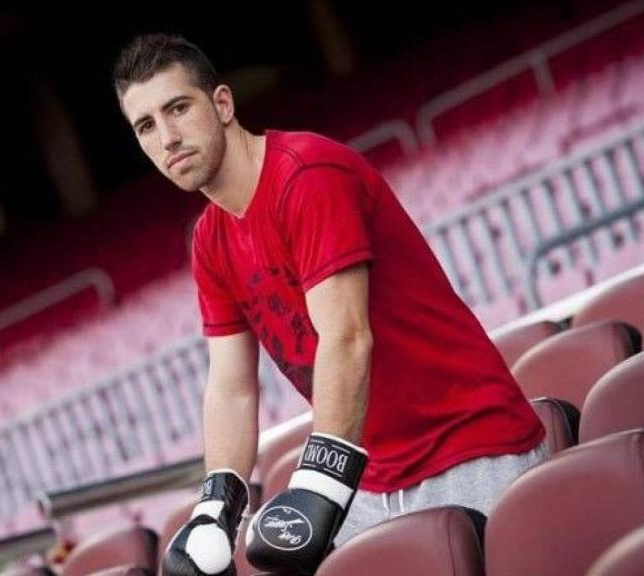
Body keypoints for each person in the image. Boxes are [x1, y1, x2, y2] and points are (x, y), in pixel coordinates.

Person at [113, 33, 548, 575]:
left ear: (221, 104)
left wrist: (320, 480)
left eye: (178, 108)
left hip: (468, 446)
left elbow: (346, 336)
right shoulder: (210, 241)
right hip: (373, 480)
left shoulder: (307, 176)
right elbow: (231, 384)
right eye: (146, 126)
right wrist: (215, 505)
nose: (168, 137)